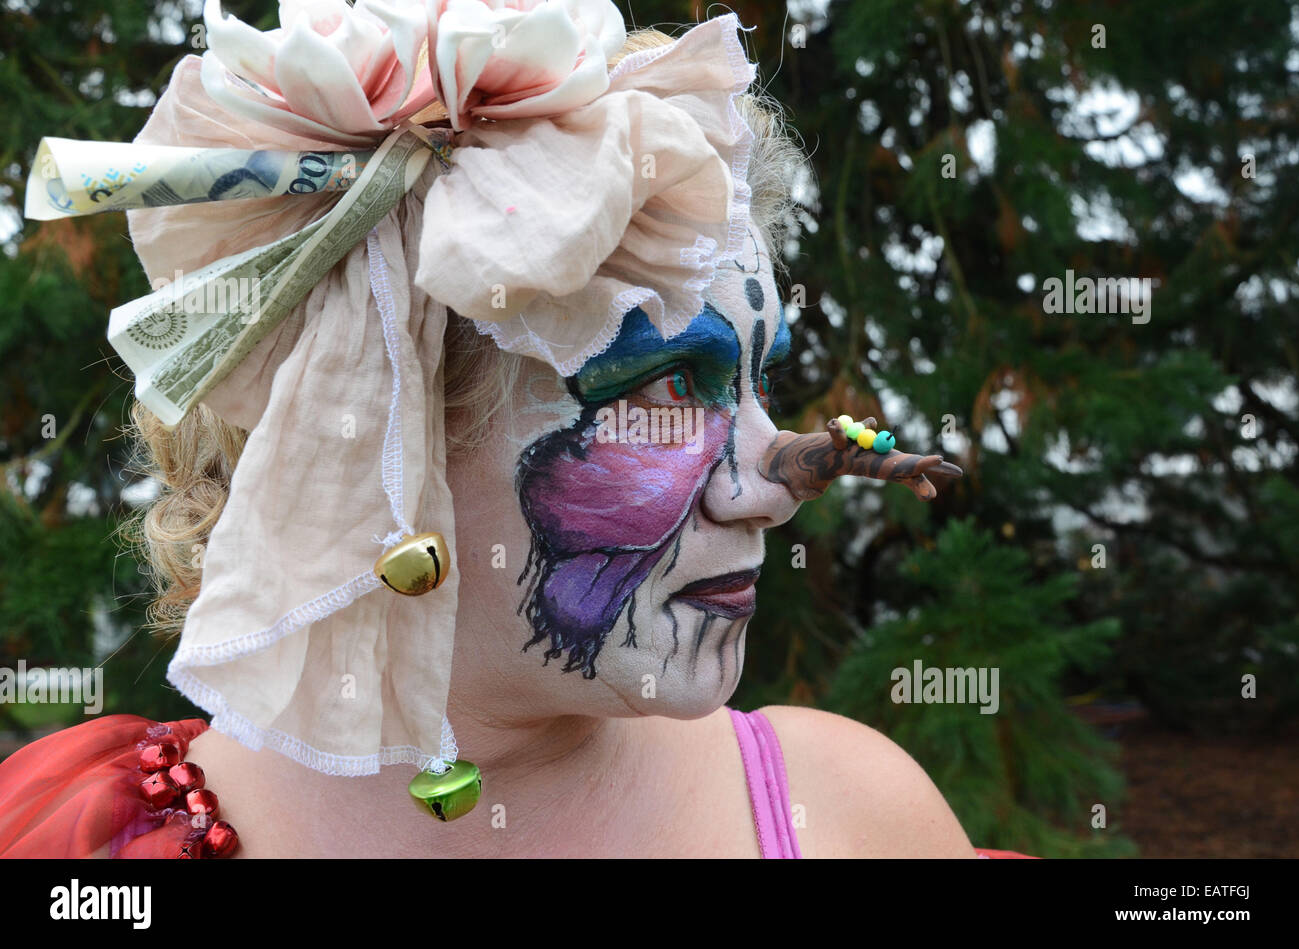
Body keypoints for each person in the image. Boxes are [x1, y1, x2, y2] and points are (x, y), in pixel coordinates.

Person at [0, 1, 1025, 859]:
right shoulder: (82, 843)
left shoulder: (846, 814)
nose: (765, 485)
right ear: (365, 438)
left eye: (759, 381)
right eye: (669, 389)